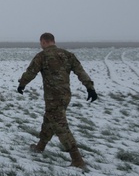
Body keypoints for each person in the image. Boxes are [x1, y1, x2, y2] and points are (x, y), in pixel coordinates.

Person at [17, 32, 98, 168]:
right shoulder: (67, 55)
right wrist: (90, 87)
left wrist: (22, 84)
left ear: (43, 41)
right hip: (65, 96)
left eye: (41, 42)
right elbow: (80, 71)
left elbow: (31, 72)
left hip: (53, 97)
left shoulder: (42, 56)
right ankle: (40, 146)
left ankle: (76, 158)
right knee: (49, 119)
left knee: (60, 125)